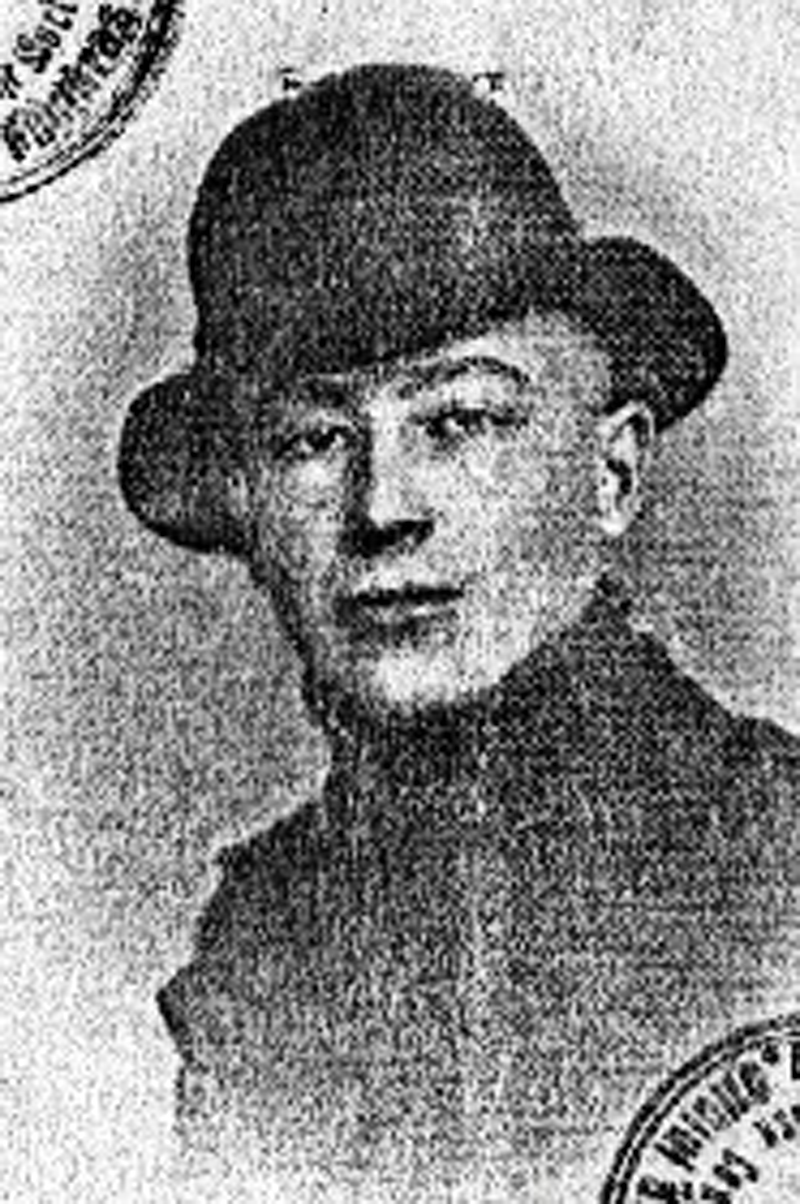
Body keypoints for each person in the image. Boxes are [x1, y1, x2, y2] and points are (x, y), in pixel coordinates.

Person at [118, 63, 800, 1201]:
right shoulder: (258, 941)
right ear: (244, 507)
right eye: (312, 440)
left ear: (611, 471)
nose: (383, 506)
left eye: (461, 418)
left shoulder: (777, 857)